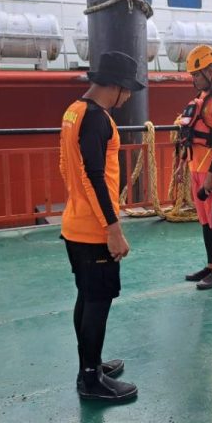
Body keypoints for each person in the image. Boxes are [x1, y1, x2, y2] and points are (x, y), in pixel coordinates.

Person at [60, 51, 146, 403]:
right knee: (98, 301)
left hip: (75, 222)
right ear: (116, 86)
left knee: (87, 297)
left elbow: (66, 168)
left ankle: (90, 365)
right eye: (127, 91)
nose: (128, 98)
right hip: (94, 229)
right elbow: (92, 175)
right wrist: (112, 227)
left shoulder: (74, 111)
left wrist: (78, 206)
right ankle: (91, 380)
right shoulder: (97, 119)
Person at [179, 44, 212, 290]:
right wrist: (183, 166)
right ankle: (211, 265)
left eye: (197, 74)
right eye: (192, 75)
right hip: (195, 168)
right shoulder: (201, 99)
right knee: (204, 220)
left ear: (211, 71)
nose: (194, 79)